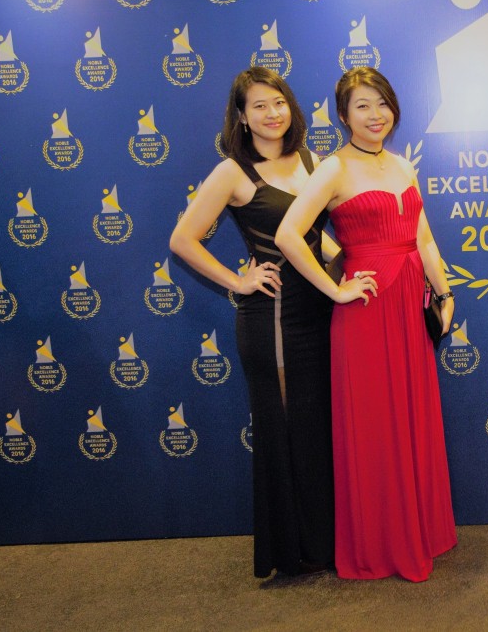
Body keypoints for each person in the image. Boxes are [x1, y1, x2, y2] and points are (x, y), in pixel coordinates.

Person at [275, 66, 457, 582]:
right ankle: (382, 543)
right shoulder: (332, 169)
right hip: (366, 312)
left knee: (411, 418)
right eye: (362, 106)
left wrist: (444, 293)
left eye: (383, 103)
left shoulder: (403, 165)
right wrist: (335, 288)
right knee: (378, 426)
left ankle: (418, 530)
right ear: (343, 115)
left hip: (410, 306)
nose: (375, 115)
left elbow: (422, 239)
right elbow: (290, 235)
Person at [169, 67, 338, 578]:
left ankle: (324, 545)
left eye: (279, 101)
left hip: (319, 311)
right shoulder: (232, 172)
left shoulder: (313, 161)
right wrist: (236, 280)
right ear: (242, 116)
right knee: (284, 428)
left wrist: (348, 260)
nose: (272, 113)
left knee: (316, 428)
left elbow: (313, 237)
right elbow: (183, 239)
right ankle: (291, 553)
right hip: (273, 320)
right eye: (260, 105)